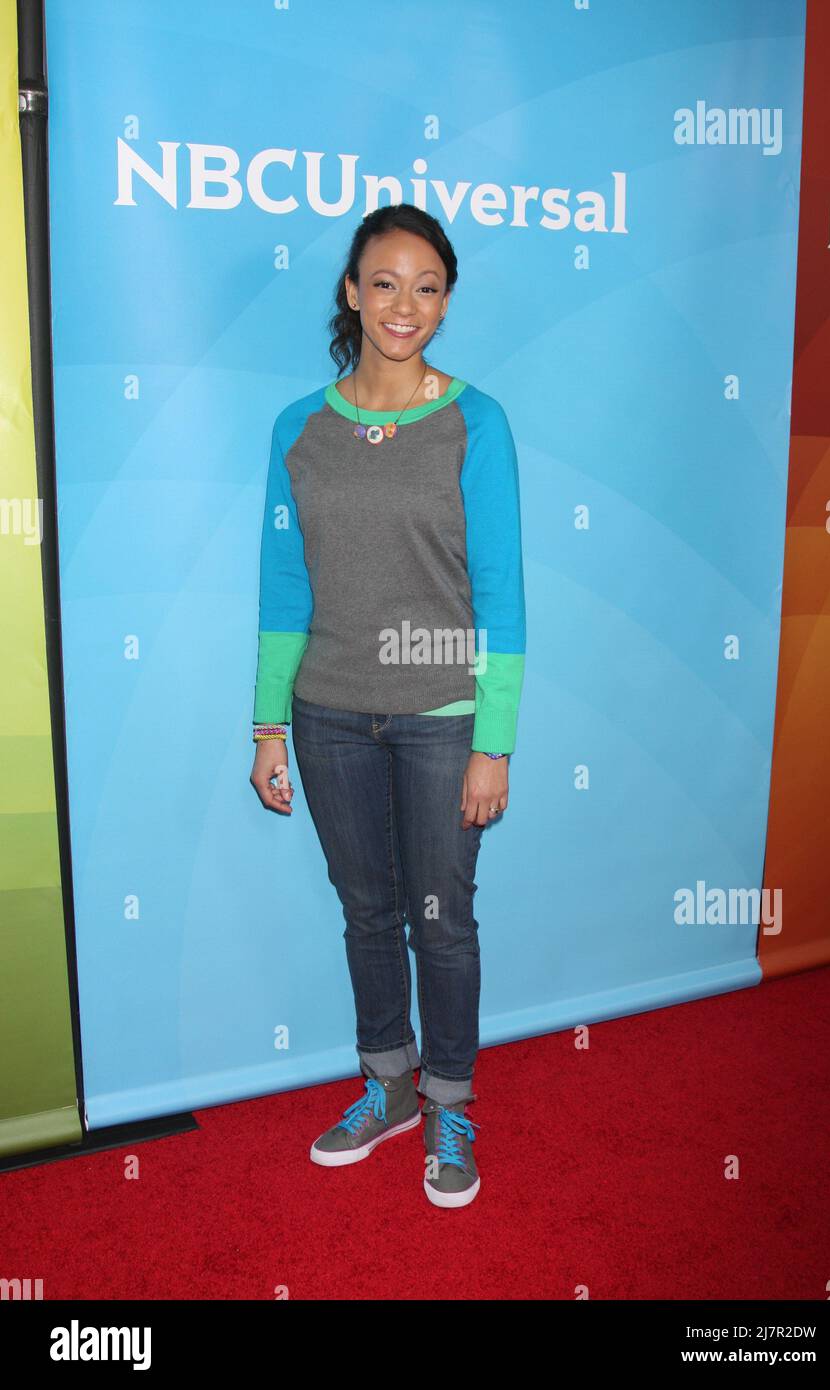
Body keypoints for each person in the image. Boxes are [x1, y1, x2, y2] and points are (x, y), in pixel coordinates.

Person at [249, 202, 526, 1208]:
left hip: (441, 717)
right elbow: (285, 592)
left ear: (445, 304)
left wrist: (491, 741)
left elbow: (500, 597)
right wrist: (267, 724)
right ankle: (389, 1086)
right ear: (350, 292)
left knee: (439, 921)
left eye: (426, 286)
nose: (401, 304)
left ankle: (449, 1103)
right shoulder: (299, 428)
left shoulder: (474, 421)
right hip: (326, 713)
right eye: (383, 282)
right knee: (366, 914)